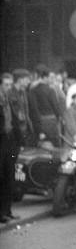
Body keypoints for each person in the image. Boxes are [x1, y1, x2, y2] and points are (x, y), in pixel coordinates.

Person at [0, 71, 22, 223]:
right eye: (5, 84)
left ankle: (7, 211)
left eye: (10, 85)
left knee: (9, 177)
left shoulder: (8, 99)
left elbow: (14, 120)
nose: (8, 87)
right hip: (1, 141)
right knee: (1, 178)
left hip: (10, 142)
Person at [26, 63, 65, 147]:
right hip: (51, 123)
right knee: (55, 145)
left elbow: (34, 110)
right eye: (49, 78)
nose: (51, 80)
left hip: (39, 123)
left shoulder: (33, 90)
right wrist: (59, 117)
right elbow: (56, 108)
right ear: (45, 77)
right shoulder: (51, 90)